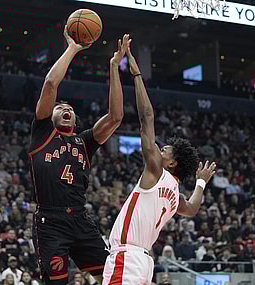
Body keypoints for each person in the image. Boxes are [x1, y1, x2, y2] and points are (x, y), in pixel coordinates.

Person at [102, 40, 217, 285]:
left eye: (164, 149)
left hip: (127, 256)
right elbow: (193, 208)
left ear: (172, 162)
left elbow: (146, 117)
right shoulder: (176, 195)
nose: (158, 148)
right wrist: (200, 182)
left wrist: (135, 73)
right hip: (145, 263)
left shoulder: (155, 171)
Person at [29, 25, 129, 284]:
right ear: (49, 114)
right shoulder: (42, 134)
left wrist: (114, 66)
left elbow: (116, 117)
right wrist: (73, 48)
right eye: (60, 106)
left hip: (81, 219)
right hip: (49, 222)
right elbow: (51, 83)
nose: (66, 109)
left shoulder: (84, 142)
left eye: (70, 108)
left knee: (112, 277)